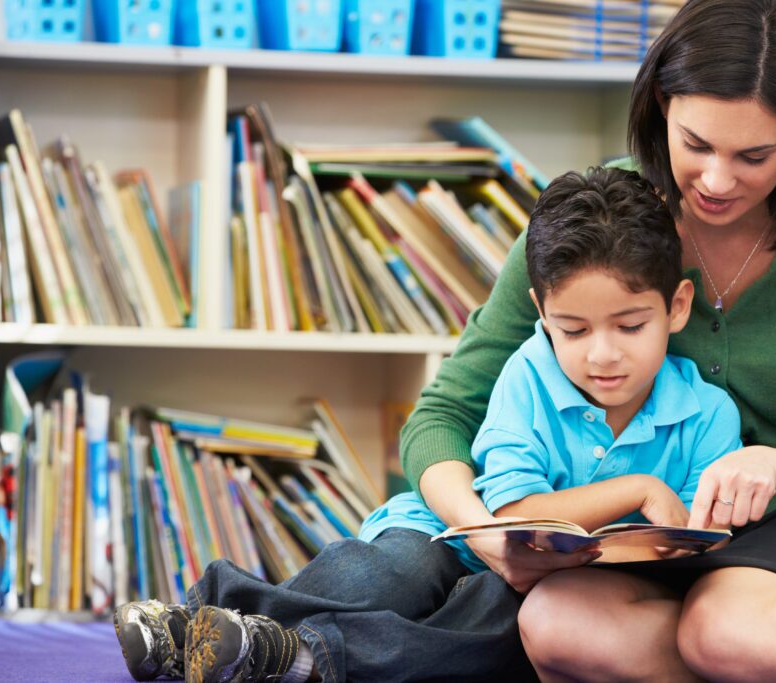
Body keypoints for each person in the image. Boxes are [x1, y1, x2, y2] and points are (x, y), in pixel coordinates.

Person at [402, 0, 776, 680]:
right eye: (695, 144)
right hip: (652, 542)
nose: (718, 181)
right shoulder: (599, 216)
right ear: (661, 101)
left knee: (725, 628)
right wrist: (484, 529)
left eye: (755, 154)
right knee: (554, 622)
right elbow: (443, 416)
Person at [112, 167, 742, 683]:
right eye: (573, 330)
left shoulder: (709, 416)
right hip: (450, 530)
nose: (602, 354)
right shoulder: (528, 375)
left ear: (677, 306)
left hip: (551, 589)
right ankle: (204, 618)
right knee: (381, 575)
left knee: (491, 633)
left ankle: (294, 657)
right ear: (541, 313)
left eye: (630, 327)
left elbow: (686, 550)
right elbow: (516, 510)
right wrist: (635, 494)